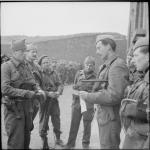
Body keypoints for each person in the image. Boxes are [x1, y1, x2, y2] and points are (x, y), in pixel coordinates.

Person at [79, 35, 129, 149]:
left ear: (109, 47)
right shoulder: (107, 65)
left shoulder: (117, 65)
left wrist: (88, 96)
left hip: (110, 119)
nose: (97, 52)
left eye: (99, 47)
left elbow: (114, 95)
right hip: (105, 116)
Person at [1, 39, 45, 149]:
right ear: (14, 52)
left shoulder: (25, 66)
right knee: (16, 142)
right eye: (22, 52)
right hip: (14, 109)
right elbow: (5, 89)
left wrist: (38, 89)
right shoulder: (6, 66)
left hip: (27, 109)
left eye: (25, 51)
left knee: (26, 139)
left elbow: (33, 82)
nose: (24, 54)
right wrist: (27, 93)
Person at [120, 37, 149, 149]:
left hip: (141, 142)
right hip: (135, 137)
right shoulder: (144, 75)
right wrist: (139, 109)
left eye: (136, 56)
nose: (133, 59)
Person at [65, 56, 96, 149]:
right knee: (74, 123)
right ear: (84, 65)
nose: (89, 67)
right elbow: (74, 87)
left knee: (87, 124)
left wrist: (87, 92)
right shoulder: (78, 74)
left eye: (91, 65)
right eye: (87, 64)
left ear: (94, 66)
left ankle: (85, 144)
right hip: (77, 102)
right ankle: (70, 144)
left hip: (88, 103)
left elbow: (95, 91)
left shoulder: (96, 77)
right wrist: (77, 91)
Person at [38, 56, 64, 149]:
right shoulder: (39, 74)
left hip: (54, 101)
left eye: (48, 62)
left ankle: (58, 139)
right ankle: (44, 142)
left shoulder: (54, 73)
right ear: (40, 65)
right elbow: (37, 87)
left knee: (56, 120)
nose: (47, 64)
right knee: (44, 122)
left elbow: (60, 84)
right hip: (44, 101)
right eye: (44, 63)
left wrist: (58, 92)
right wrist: (48, 93)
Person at [25, 43, 43, 121]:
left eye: (36, 52)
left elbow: (41, 81)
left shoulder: (37, 67)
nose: (35, 54)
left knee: (30, 124)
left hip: (36, 98)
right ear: (26, 52)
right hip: (26, 98)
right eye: (33, 52)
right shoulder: (22, 65)